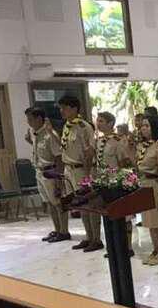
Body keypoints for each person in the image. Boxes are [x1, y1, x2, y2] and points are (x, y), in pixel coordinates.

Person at [57, 95, 102, 251]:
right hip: (69, 169)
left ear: (74, 108)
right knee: (81, 206)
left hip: (82, 169)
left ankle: (96, 239)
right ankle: (88, 236)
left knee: (90, 205)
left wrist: (88, 175)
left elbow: (89, 151)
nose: (61, 111)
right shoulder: (67, 126)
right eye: (61, 108)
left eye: (64, 108)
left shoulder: (84, 127)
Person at [24, 108, 68, 242]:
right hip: (39, 172)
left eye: (30, 119)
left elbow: (58, 157)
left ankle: (64, 231)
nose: (28, 122)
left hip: (51, 172)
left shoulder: (50, 134)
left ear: (39, 119)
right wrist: (29, 141)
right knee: (49, 203)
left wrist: (59, 178)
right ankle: (57, 229)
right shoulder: (34, 134)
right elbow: (39, 151)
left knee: (58, 203)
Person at [134, 116, 158, 265]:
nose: (143, 128)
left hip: (156, 183)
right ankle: (155, 249)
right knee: (149, 220)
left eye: (147, 126)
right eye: (142, 126)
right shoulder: (142, 146)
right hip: (144, 183)